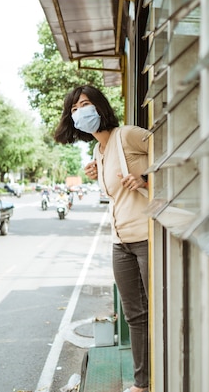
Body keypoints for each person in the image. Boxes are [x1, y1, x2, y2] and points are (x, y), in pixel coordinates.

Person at [54, 85, 150, 392]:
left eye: (85, 104)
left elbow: (176, 154)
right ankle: (142, 382)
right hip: (121, 243)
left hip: (149, 237)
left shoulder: (129, 135)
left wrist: (147, 178)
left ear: (100, 106)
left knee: (161, 309)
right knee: (134, 315)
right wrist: (100, 171)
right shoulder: (99, 150)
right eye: (73, 109)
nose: (80, 111)